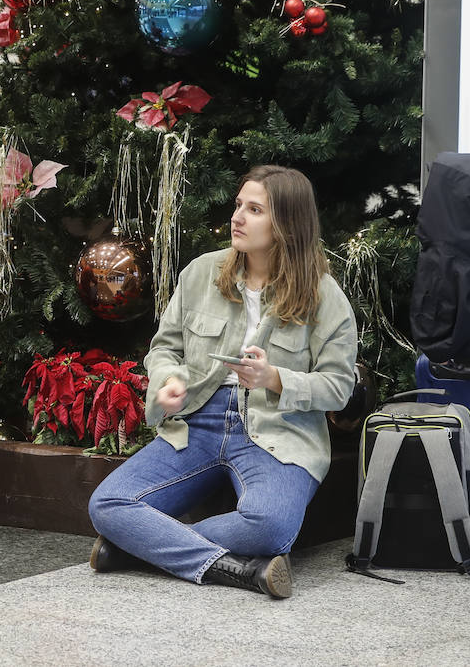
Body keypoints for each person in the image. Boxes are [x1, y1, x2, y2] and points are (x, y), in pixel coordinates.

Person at [87, 165, 358, 599]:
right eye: (239, 205)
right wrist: (168, 381)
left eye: (254, 210)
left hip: (278, 430)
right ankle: (237, 569)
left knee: (270, 525)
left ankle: (139, 549)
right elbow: (164, 349)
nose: (238, 217)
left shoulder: (323, 296)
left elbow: (339, 386)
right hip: (198, 420)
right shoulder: (201, 274)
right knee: (107, 504)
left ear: (287, 223)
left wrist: (275, 378)